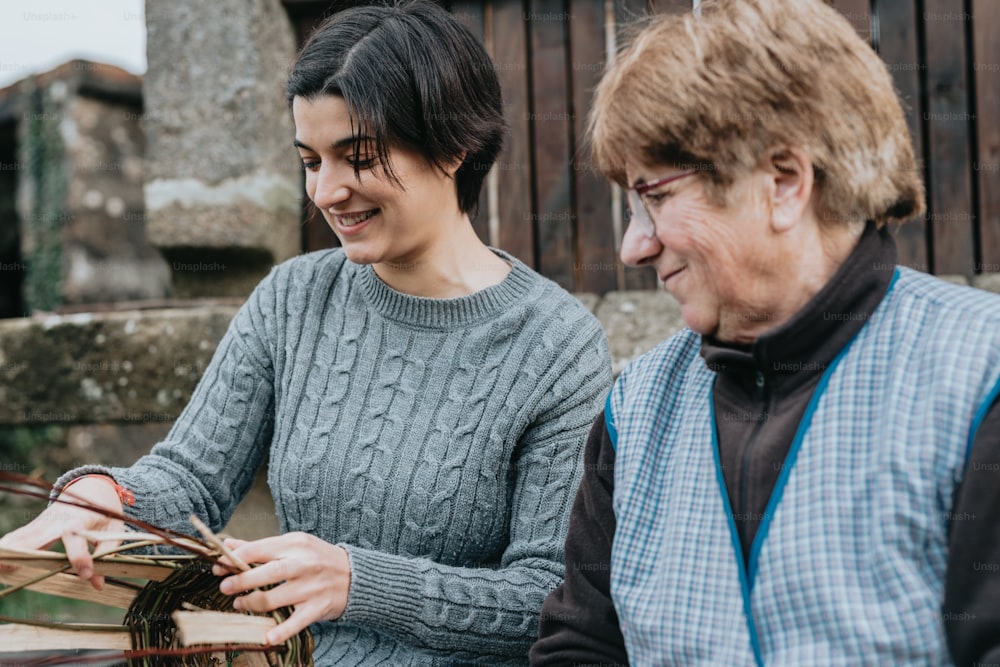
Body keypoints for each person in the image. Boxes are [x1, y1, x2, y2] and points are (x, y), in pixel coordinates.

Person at [0, 2, 612, 664]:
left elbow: (545, 601)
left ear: (452, 144)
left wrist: (360, 583)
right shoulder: (294, 298)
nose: (326, 190)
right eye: (310, 160)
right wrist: (108, 495)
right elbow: (191, 476)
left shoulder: (557, 347)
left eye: (358, 156)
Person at [529, 0, 1000, 664]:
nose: (635, 245)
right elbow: (581, 647)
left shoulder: (980, 379)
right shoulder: (635, 411)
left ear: (783, 182)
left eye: (655, 197)